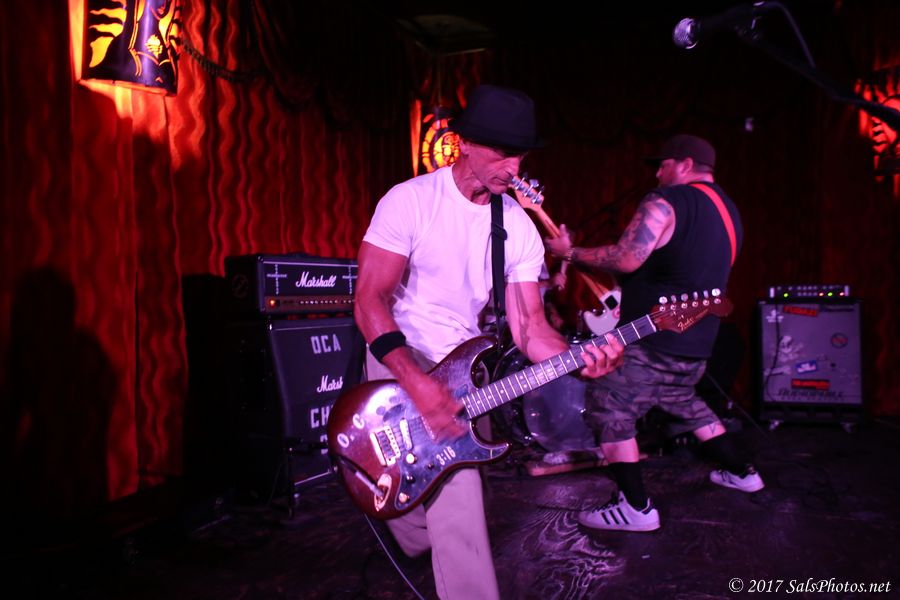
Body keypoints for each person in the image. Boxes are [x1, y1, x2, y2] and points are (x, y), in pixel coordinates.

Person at [354, 84, 624, 598]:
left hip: (463, 367)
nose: (513, 167)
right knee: (439, 494)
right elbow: (369, 299)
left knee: (454, 491)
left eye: (520, 154)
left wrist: (579, 360)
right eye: (501, 152)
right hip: (400, 357)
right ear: (463, 143)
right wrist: (417, 383)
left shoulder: (516, 227)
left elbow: (530, 329)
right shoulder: (410, 201)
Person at [545, 134, 764, 533]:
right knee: (685, 403)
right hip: (699, 340)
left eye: (662, 165)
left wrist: (569, 253)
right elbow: (681, 267)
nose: (657, 174)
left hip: (652, 338)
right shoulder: (730, 211)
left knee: (608, 405)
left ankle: (635, 508)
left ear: (684, 164)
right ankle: (742, 472)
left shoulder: (666, 200)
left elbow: (628, 257)